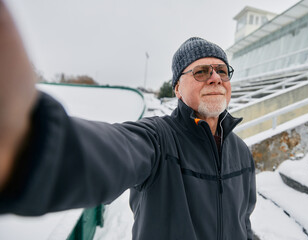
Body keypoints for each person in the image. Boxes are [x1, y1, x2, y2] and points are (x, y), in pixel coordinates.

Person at [0, 2, 256, 239]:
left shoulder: (241, 153)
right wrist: (26, 139)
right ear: (177, 88)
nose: (215, 78)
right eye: (201, 71)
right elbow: (109, 152)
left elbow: (243, 222)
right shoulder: (159, 140)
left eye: (222, 70)